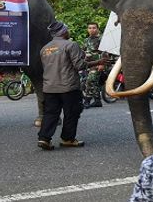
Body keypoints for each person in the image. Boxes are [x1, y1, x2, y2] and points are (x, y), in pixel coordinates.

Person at [37, 21, 105, 150]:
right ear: (63, 31)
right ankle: (68, 139)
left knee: (50, 113)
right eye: (67, 29)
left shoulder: (44, 48)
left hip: (49, 87)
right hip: (68, 87)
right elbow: (79, 65)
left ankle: (44, 138)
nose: (68, 31)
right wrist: (98, 62)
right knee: (72, 112)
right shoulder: (70, 45)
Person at [82, 22, 104, 108]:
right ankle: (97, 101)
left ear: (97, 29)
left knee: (89, 81)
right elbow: (83, 51)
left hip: (98, 64)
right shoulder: (86, 40)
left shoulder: (101, 39)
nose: (92, 29)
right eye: (90, 28)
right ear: (87, 29)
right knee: (94, 83)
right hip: (88, 65)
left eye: (94, 28)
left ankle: (87, 101)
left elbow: (105, 52)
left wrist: (102, 64)